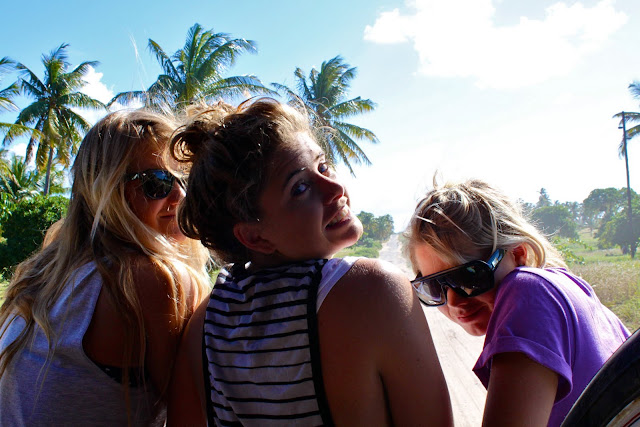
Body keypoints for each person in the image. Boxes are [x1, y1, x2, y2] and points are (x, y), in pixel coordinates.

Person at [166, 98, 453, 426]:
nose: (335, 188)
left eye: (323, 167)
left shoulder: (205, 324)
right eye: (300, 188)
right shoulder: (373, 290)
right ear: (255, 236)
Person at [0, 110, 211, 425]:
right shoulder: (149, 279)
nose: (180, 195)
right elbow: (193, 418)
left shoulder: (45, 271)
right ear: (109, 192)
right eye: (157, 182)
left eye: (186, 180)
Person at [405, 178, 630, 427]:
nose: (453, 301)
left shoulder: (528, 292)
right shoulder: (574, 289)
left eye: (469, 277)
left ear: (517, 253)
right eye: (434, 286)